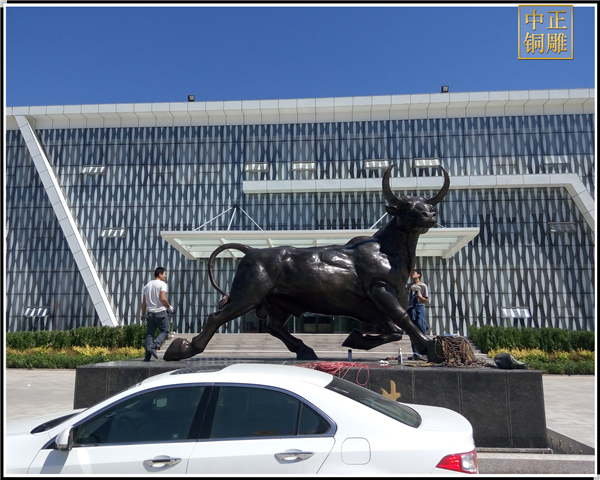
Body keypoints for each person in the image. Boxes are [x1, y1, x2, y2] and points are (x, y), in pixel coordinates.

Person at [141, 267, 175, 361]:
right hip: (160, 312)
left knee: (149, 334)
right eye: (165, 274)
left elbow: (144, 303)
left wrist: (143, 314)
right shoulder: (162, 284)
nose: (165, 276)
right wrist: (169, 307)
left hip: (150, 313)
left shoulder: (147, 286)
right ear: (160, 274)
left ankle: (147, 357)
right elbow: (162, 298)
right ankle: (154, 345)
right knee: (165, 331)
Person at [407, 269, 429, 361]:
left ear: (419, 275)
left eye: (414, 273)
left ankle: (424, 353)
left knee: (421, 328)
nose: (412, 274)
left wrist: (420, 297)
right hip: (411, 308)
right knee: (412, 330)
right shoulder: (409, 286)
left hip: (420, 307)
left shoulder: (423, 286)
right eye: (411, 273)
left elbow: (426, 300)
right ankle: (415, 353)